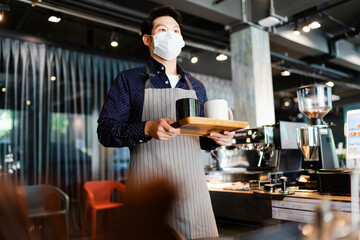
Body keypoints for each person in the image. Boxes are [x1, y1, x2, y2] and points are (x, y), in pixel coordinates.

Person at [97, 6, 235, 239]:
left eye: (176, 31)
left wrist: (217, 139)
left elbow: (201, 138)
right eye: (163, 29)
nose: (171, 35)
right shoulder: (129, 80)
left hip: (192, 189)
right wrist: (146, 128)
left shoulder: (196, 86)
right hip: (147, 191)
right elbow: (106, 131)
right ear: (147, 39)